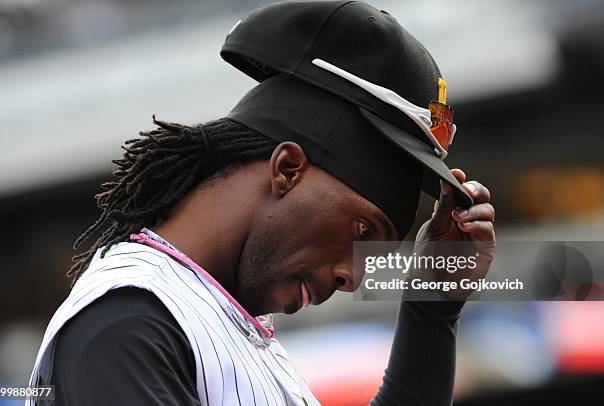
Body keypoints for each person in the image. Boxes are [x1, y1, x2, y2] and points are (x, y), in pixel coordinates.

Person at [27, 2, 495, 405]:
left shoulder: (216, 318)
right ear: (287, 169)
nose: (354, 276)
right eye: (362, 232)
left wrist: (433, 304)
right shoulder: (126, 326)